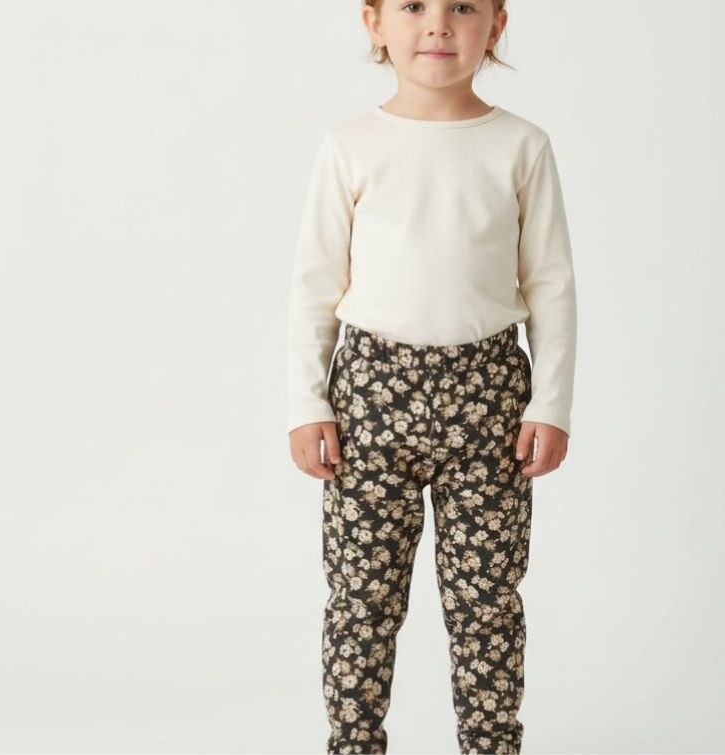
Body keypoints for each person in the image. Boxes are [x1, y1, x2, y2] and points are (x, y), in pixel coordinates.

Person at [286, 1, 577, 752]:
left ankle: (490, 744)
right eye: (413, 6)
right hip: (369, 398)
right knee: (362, 600)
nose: (438, 25)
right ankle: (354, 743)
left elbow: (550, 282)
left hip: (490, 399)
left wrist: (550, 403)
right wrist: (307, 402)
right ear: (374, 22)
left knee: (487, 603)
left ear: (497, 25)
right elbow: (315, 284)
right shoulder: (350, 146)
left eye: (462, 7)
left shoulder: (520, 145)